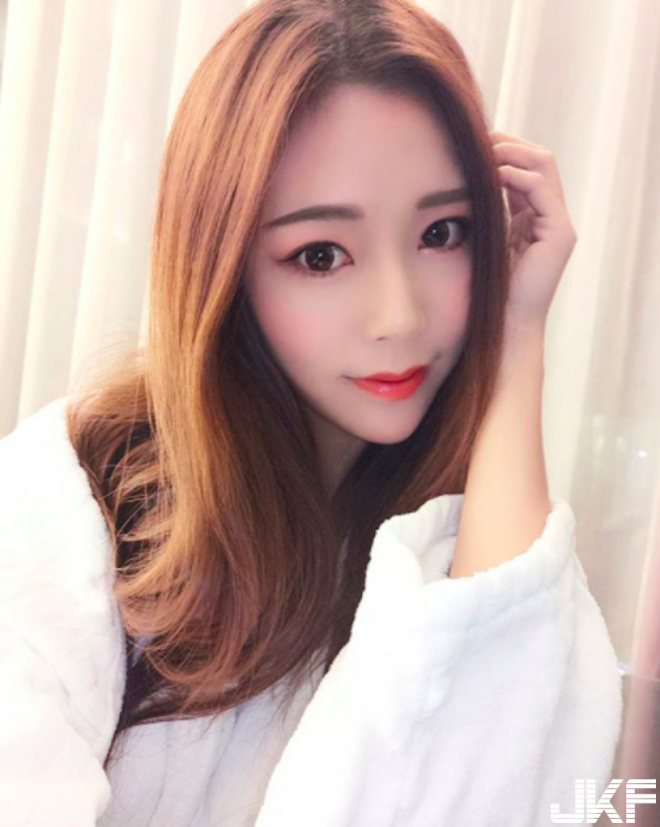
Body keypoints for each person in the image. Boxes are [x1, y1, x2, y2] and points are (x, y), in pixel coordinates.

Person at [0, 0, 622, 824]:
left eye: (443, 233)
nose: (398, 315)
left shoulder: (477, 532)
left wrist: (516, 332)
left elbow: (510, 774)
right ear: (224, 265)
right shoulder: (73, 501)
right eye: (321, 255)